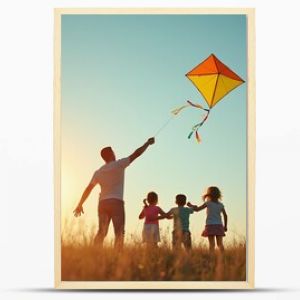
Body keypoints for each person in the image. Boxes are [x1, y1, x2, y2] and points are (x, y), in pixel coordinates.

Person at [73, 137, 155, 248]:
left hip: (103, 204)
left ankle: (94, 253)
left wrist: (80, 204)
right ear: (111, 154)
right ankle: (118, 258)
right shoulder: (119, 164)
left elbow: (88, 189)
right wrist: (147, 143)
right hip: (116, 203)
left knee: (102, 232)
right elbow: (136, 154)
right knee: (119, 233)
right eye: (113, 152)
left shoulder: (98, 172)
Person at [187, 186, 228, 253]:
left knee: (212, 245)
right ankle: (223, 257)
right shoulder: (220, 205)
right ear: (218, 194)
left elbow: (197, 209)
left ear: (209, 194)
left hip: (210, 225)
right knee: (220, 244)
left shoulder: (208, 203)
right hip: (219, 225)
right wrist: (225, 226)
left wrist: (190, 205)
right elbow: (225, 215)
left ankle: (211, 258)